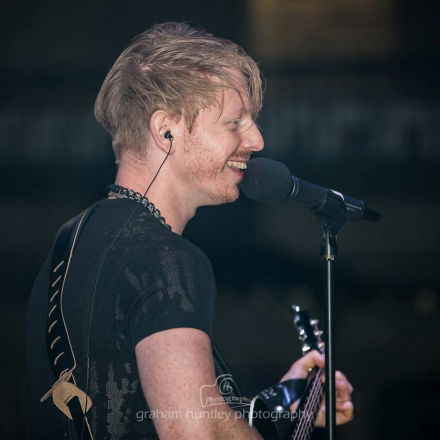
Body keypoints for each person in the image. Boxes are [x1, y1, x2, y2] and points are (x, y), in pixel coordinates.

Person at [26, 22, 353, 439]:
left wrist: (277, 405)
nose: (256, 140)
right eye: (234, 123)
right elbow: (191, 432)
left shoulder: (69, 242)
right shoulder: (166, 257)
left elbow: (144, 411)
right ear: (167, 130)